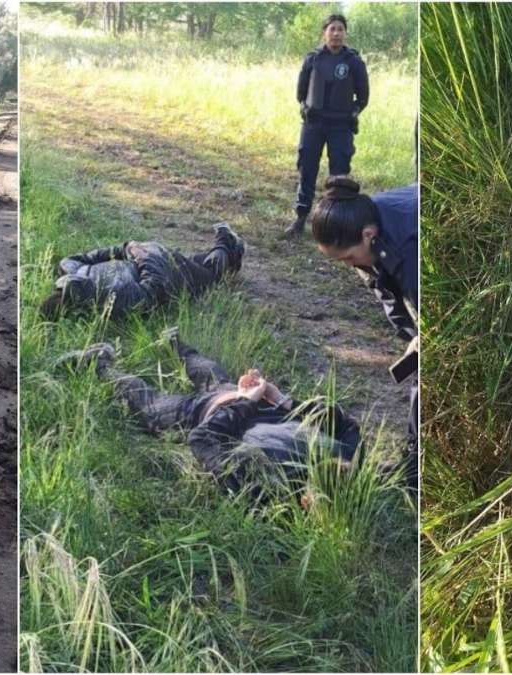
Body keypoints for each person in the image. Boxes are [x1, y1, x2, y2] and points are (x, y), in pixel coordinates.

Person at [56, 329, 361, 499]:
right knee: (180, 391)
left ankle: (109, 361)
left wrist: (250, 401)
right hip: (231, 404)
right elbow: (340, 420)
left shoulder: (264, 487)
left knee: (173, 395)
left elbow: (202, 440)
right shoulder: (341, 452)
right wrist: (275, 397)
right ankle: (171, 345)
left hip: (219, 408)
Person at [311, 175, 418, 491]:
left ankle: (415, 473)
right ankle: (414, 464)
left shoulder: (409, 248)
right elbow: (386, 291)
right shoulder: (363, 224)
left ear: (369, 235)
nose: (347, 265)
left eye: (348, 258)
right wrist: (410, 334)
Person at [41, 224, 244, 320]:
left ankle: (225, 243)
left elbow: (99, 255)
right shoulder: (113, 300)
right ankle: (225, 243)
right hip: (153, 261)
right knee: (204, 273)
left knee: (204, 274)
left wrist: (128, 249)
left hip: (150, 259)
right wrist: (136, 252)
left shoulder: (71, 268)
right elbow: (156, 287)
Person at [285, 14, 370, 237]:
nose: (336, 33)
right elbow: (300, 92)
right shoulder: (312, 58)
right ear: (325, 32)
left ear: (345, 33)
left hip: (341, 126)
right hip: (314, 124)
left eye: (340, 29)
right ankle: (300, 218)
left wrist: (352, 112)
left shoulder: (353, 61)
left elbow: (363, 96)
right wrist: (305, 108)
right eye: (332, 29)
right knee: (307, 169)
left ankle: (335, 223)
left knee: (339, 176)